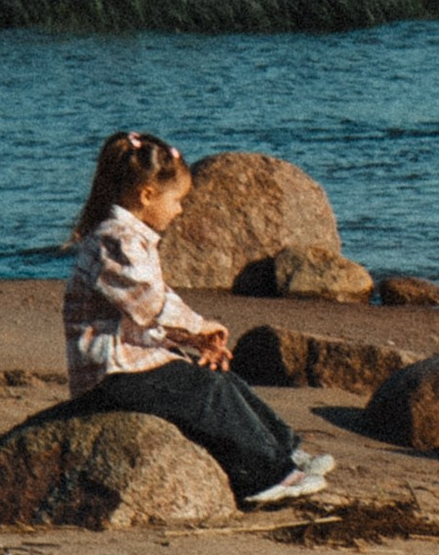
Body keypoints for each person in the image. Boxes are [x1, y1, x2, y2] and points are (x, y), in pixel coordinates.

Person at [64, 129, 334, 508]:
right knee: (207, 393)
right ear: (147, 195)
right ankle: (265, 475)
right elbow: (149, 304)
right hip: (110, 373)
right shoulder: (116, 240)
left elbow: (149, 307)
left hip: (133, 360)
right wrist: (197, 325)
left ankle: (284, 450)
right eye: (178, 200)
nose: (180, 210)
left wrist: (194, 339)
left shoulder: (131, 237)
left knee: (217, 377)